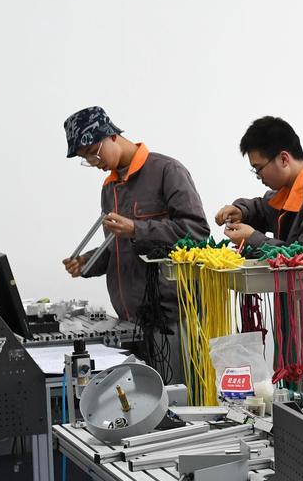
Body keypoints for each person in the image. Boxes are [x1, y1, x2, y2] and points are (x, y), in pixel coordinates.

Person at [62, 107, 208, 381]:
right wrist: (87, 262)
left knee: (175, 398)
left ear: (111, 136)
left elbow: (197, 232)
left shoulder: (167, 171)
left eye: (93, 153)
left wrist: (137, 228)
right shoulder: (110, 188)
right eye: (86, 159)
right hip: (129, 322)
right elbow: (116, 248)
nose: (93, 163)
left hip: (171, 319)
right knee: (140, 400)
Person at [214, 116, 303, 249]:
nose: (258, 177)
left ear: (284, 159)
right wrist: (241, 212)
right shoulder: (290, 188)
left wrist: (252, 239)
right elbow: (262, 209)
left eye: (258, 168)